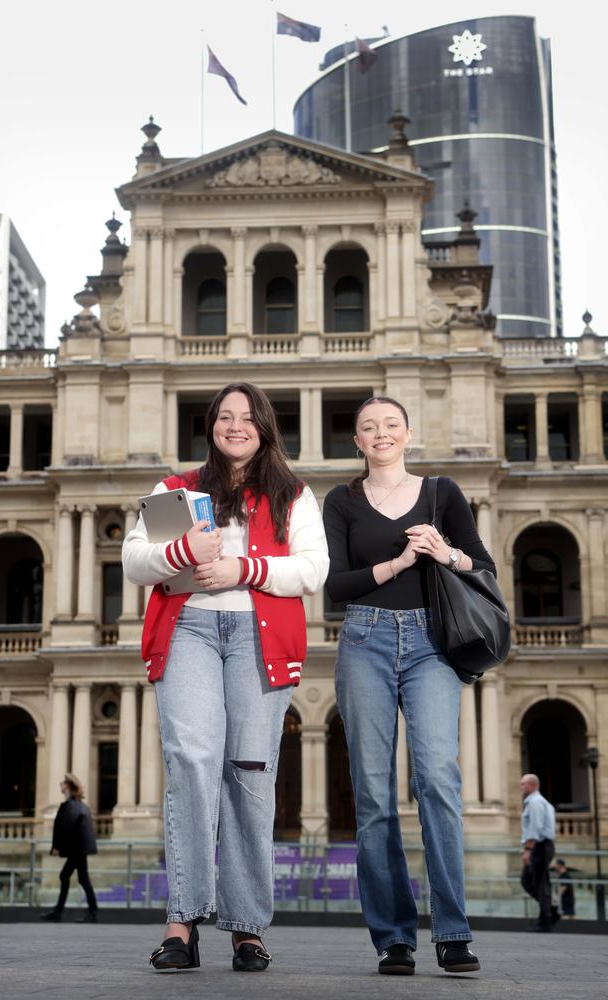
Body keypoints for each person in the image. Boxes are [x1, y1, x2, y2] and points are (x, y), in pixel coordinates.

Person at [122, 382, 328, 973]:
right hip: (188, 629)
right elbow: (135, 561)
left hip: (259, 638)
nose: (235, 426)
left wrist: (245, 566)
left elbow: (314, 568)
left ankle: (245, 927)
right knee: (190, 759)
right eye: (225, 417)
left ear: (264, 427)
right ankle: (181, 922)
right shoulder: (176, 488)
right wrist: (182, 550)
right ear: (211, 425)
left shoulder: (292, 493)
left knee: (250, 772)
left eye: (248, 417)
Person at [322, 395, 495, 976]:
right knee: (372, 796)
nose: (381, 434)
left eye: (391, 425)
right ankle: (394, 938)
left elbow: (484, 565)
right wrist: (398, 562)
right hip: (364, 641)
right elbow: (335, 586)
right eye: (369, 427)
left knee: (438, 780)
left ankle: (452, 931)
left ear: (408, 433)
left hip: (430, 644)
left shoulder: (442, 492)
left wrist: (443, 551)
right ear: (357, 441)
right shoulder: (341, 501)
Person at [41, 773, 98, 923]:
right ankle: (90, 912)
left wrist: (57, 847)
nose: (60, 784)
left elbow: (65, 828)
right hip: (79, 849)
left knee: (66, 876)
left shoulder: (71, 806)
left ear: (67, 786)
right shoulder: (80, 805)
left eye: (62, 783)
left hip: (76, 849)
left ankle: (59, 912)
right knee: (82, 879)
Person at [519, 773, 557, 930]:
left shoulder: (535, 802)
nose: (521, 787)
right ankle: (549, 911)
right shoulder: (542, 802)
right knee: (538, 882)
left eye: (523, 784)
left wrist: (528, 849)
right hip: (543, 846)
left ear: (532, 785)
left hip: (539, 846)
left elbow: (536, 827)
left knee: (533, 882)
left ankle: (546, 920)